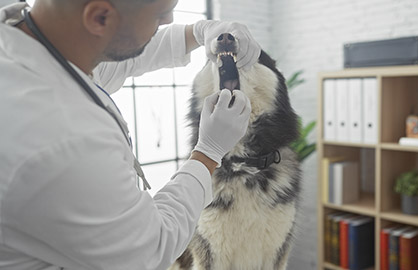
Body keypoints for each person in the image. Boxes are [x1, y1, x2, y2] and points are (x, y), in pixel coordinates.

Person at [0, 0, 260, 269]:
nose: (169, 19)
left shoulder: (39, 45)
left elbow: (123, 56)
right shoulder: (61, 141)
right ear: (99, 18)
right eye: (160, 14)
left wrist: (199, 31)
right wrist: (208, 153)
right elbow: (149, 250)